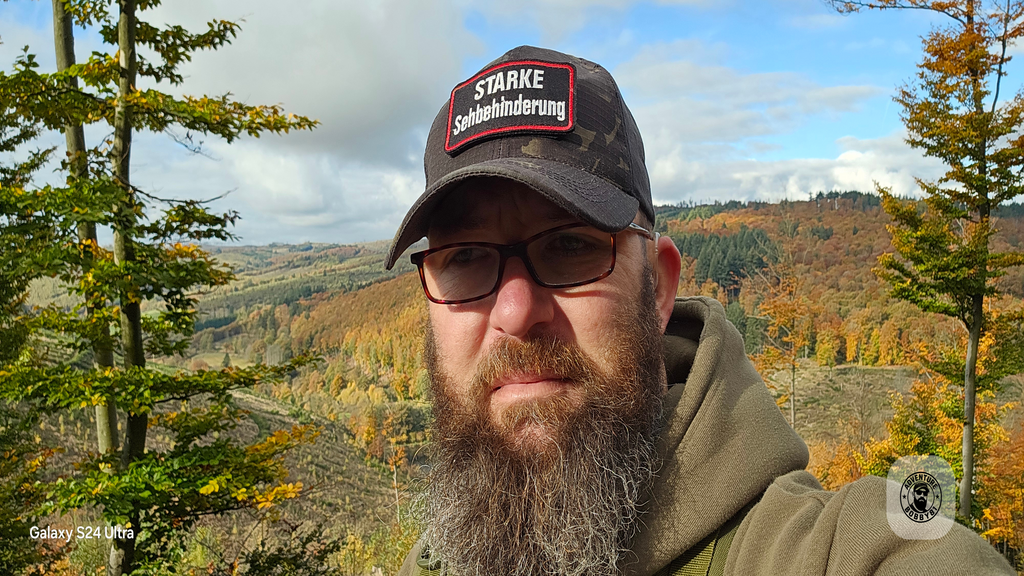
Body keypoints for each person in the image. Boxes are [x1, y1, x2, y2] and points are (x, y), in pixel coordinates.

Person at [384, 45, 1014, 576]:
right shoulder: (433, 562)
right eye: (466, 258)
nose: (516, 311)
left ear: (658, 288)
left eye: (570, 246)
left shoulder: (823, 553)